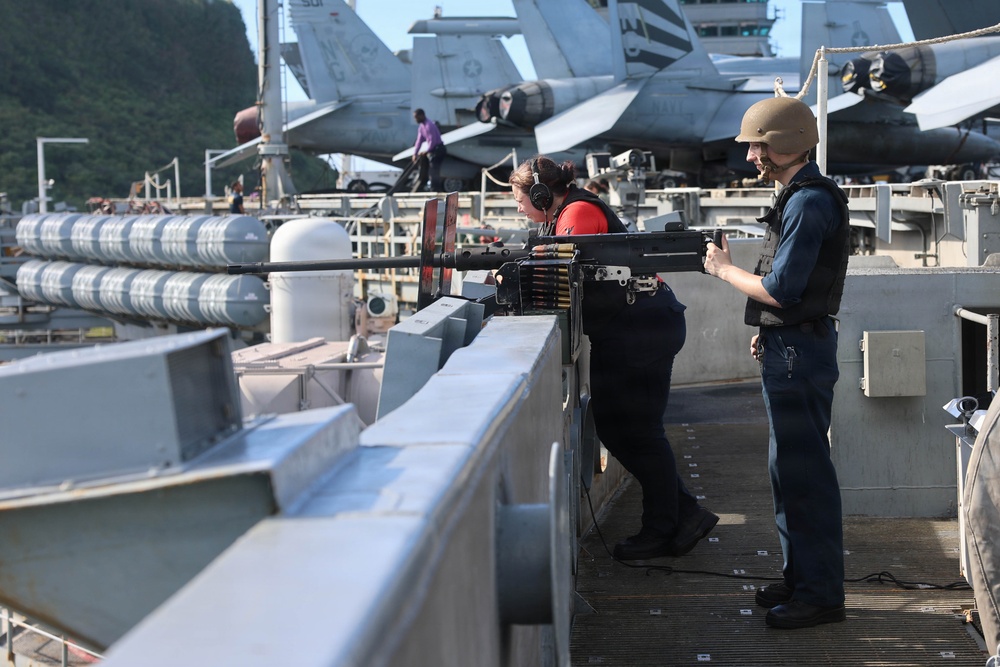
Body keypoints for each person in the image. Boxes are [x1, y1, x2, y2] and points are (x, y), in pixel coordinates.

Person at [509, 156, 719, 561]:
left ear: (539, 193)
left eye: (520, 198)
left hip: (640, 330)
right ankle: (686, 513)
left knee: (638, 432)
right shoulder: (566, 212)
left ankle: (662, 528)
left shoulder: (578, 212)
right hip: (630, 330)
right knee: (620, 427)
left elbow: (562, 268)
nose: (518, 207)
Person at [703, 96, 851, 630]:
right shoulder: (797, 197)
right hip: (790, 347)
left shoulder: (808, 202)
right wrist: (768, 332)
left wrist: (722, 270)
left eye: (758, 146)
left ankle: (820, 594)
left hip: (799, 354)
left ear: (785, 145)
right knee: (785, 473)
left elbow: (783, 289)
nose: (752, 158)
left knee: (804, 474)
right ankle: (801, 578)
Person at [412, 108, 447, 191]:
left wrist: (427, 151)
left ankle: (435, 189)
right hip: (433, 150)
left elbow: (433, 141)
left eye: (416, 117)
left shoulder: (429, 125)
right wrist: (415, 153)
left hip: (438, 149)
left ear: (422, 115)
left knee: (433, 170)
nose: (415, 119)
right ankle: (428, 187)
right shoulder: (421, 127)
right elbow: (419, 141)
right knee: (428, 169)